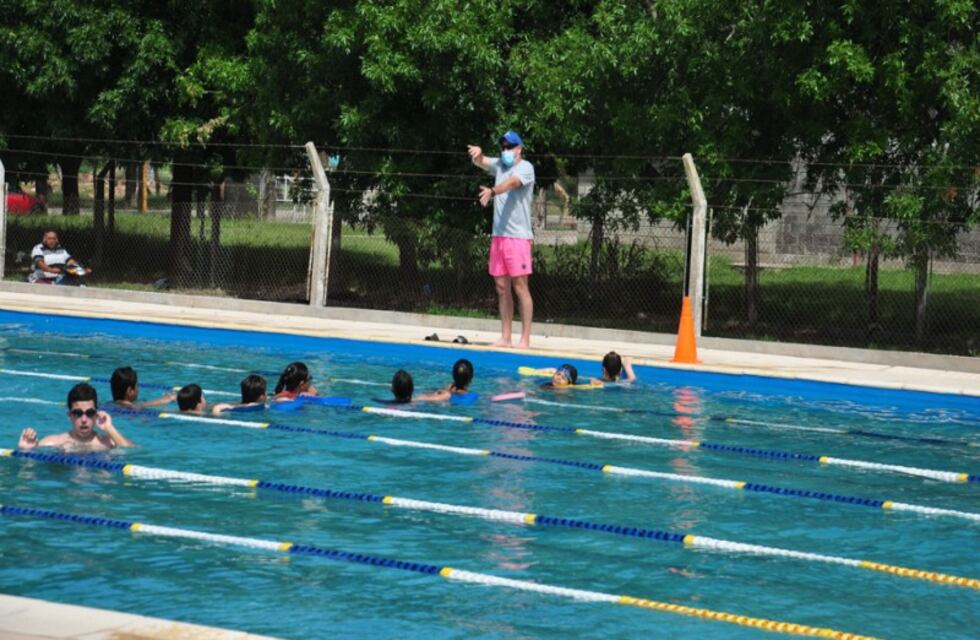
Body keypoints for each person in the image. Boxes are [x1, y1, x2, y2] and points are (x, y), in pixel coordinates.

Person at [467, 130, 535, 349]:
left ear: (519, 149)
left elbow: (512, 183)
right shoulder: (500, 165)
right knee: (501, 287)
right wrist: (478, 154)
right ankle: (506, 337)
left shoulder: (525, 168)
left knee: (520, 287)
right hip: (499, 236)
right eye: (503, 147)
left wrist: (493, 191)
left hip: (518, 237)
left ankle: (524, 339)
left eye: (509, 147)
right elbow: (482, 161)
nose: (505, 150)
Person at [18, 382, 133, 452]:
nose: (84, 420)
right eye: (78, 413)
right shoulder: (54, 442)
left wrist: (109, 428)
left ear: (96, 415)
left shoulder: (107, 442)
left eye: (89, 413)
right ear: (70, 416)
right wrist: (25, 451)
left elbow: (131, 451)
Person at [109, 366, 175, 409]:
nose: (138, 389)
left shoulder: (108, 406)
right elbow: (137, 407)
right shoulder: (134, 410)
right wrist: (167, 399)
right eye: (137, 386)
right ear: (130, 391)